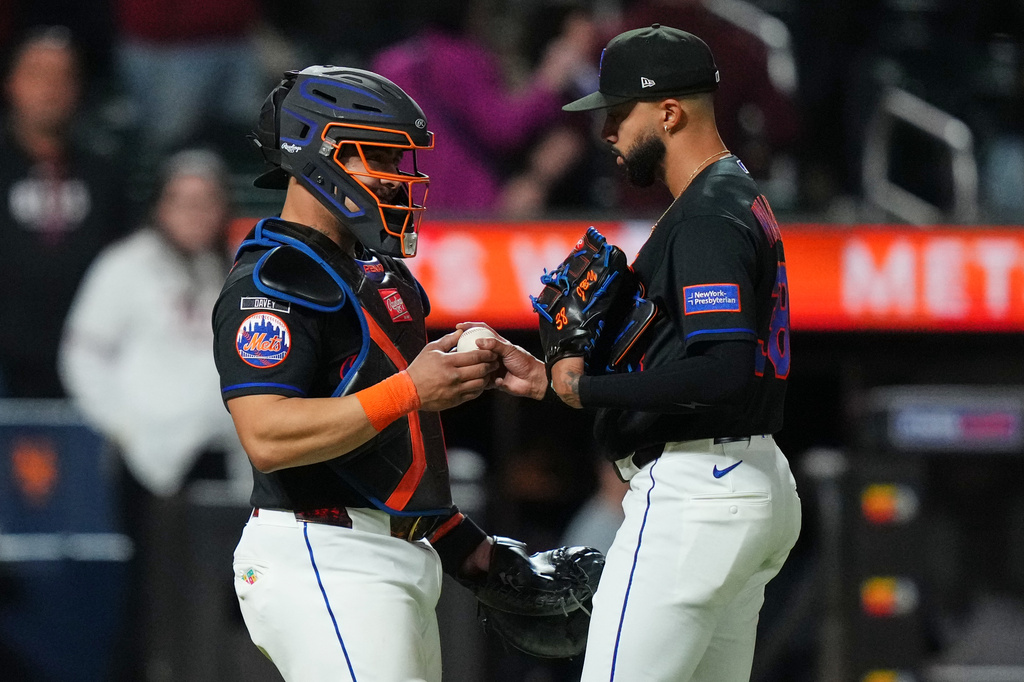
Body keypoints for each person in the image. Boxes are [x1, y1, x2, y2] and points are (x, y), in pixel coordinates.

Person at [464, 24, 802, 682]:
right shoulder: (733, 196)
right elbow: (696, 358)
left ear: (670, 112)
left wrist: (582, 390)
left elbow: (723, 371)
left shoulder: (706, 214)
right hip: (741, 483)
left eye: (618, 114)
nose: (608, 132)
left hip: (698, 493)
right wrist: (554, 381)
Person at [212, 66, 502, 682]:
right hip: (323, 551)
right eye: (382, 159)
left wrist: (463, 544)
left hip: (395, 555)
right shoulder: (273, 281)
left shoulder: (376, 276)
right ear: (321, 154)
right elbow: (266, 437)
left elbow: (394, 443)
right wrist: (411, 388)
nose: (402, 179)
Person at [58, 148, 251, 680]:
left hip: (224, 457)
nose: (194, 213)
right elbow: (80, 355)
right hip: (152, 460)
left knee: (224, 591)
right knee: (153, 590)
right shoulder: (126, 264)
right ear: (160, 206)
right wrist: (125, 425)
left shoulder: (232, 267)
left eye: (206, 201)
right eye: (181, 201)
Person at [370, 0, 595, 216]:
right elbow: (504, 129)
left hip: (403, 207)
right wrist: (548, 82)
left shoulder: (389, 63)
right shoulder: (461, 60)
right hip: (465, 211)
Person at [0, 26, 126, 397]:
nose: (51, 88)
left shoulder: (106, 173)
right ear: (11, 83)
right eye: (38, 74)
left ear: (79, 89)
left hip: (91, 357)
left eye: (64, 76)